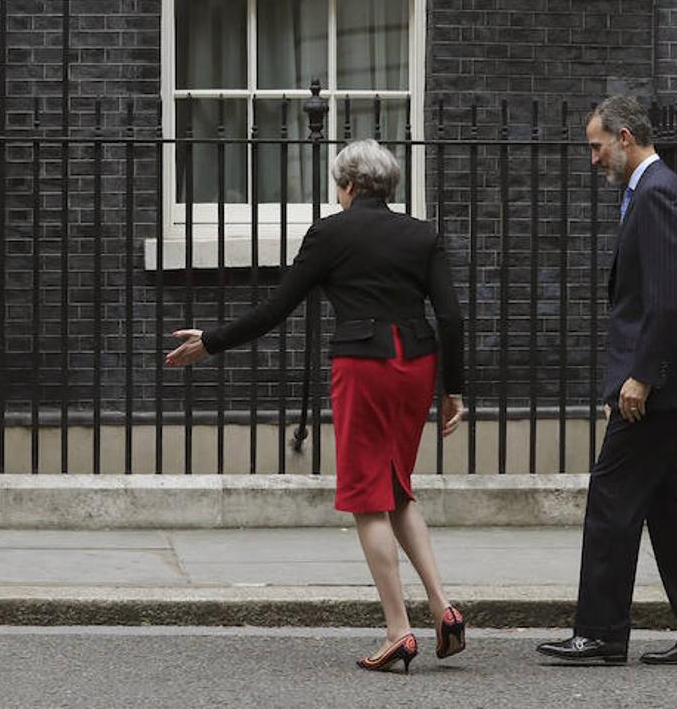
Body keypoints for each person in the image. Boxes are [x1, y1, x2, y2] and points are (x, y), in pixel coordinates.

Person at [165, 139, 467, 674]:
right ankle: (443, 606)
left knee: (366, 498)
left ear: (349, 185)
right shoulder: (422, 234)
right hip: (417, 364)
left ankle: (398, 630)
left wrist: (211, 341)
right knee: (398, 486)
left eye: (338, 186)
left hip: (364, 364)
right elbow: (450, 317)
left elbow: (276, 308)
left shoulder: (331, 231)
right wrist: (454, 390)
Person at [538, 95, 677, 666]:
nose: (592, 158)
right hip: (668, 379)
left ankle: (599, 633)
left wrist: (640, 378)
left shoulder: (659, 193)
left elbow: (668, 301)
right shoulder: (650, 192)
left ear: (625, 137)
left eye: (597, 146)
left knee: (611, 497)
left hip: (659, 383)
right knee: (671, 509)